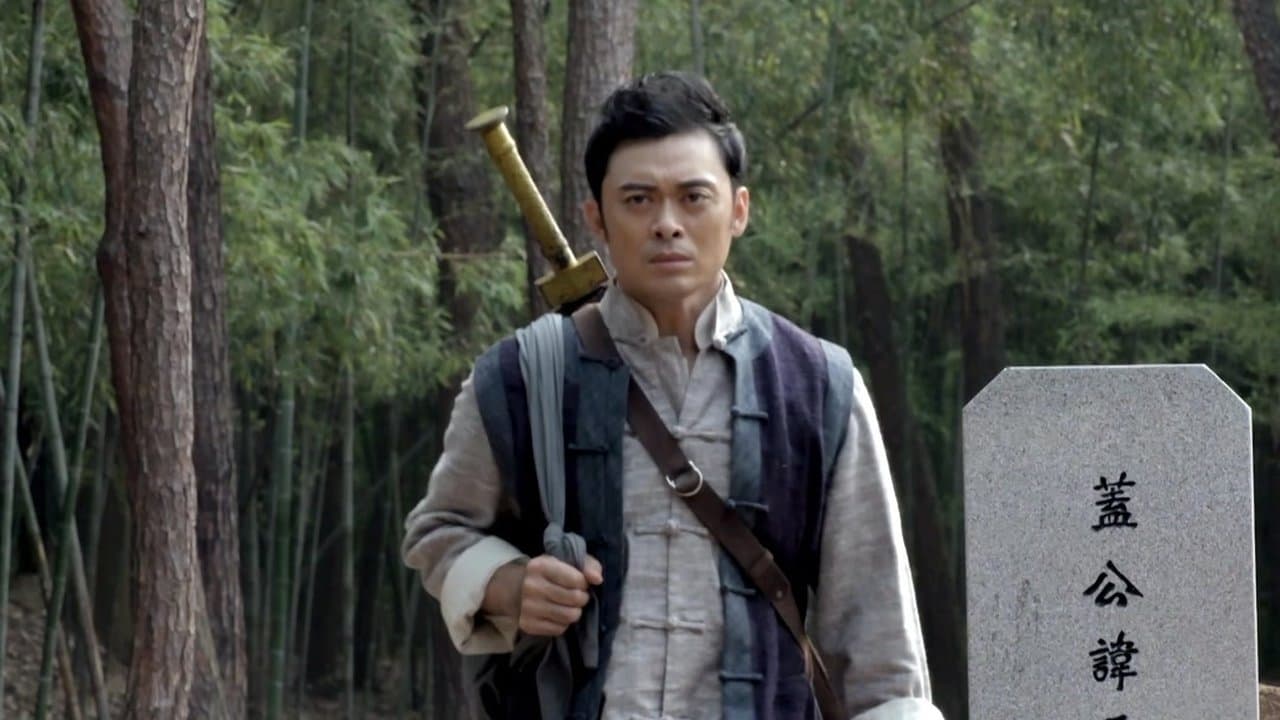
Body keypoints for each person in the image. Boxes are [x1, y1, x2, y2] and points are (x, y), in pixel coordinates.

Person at [402, 72, 942, 720]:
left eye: (693, 197)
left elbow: (877, 636)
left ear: (738, 210)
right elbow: (439, 530)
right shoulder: (522, 376)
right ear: (597, 219)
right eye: (638, 200)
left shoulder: (818, 386)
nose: (666, 225)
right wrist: (508, 584)